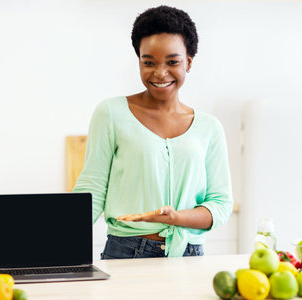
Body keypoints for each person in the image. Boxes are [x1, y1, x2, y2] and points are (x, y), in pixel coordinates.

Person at [73, 5, 233, 259]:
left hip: (188, 256)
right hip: (126, 252)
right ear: (139, 61)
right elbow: (92, 189)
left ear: (188, 62)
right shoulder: (111, 113)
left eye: (172, 62)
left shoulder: (209, 127)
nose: (160, 73)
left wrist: (176, 217)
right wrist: (54, 245)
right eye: (149, 62)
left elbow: (220, 205)